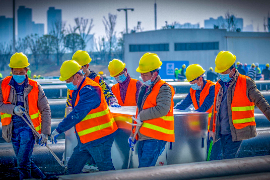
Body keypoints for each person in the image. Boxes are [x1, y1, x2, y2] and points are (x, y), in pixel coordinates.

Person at [50, 60, 118, 174]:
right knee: (72, 168)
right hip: (86, 139)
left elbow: (78, 113)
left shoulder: (90, 89)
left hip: (99, 137)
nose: (67, 83)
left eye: (68, 80)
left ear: (77, 76)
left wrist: (59, 129)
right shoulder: (79, 88)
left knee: (106, 169)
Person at [209, 51, 270, 160]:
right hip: (222, 132)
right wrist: (212, 129)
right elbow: (215, 109)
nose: (222, 74)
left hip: (236, 132)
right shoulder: (218, 84)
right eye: (220, 72)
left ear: (233, 69)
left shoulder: (246, 82)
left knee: (228, 159)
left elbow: (261, 102)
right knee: (223, 159)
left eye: (224, 72)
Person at [0, 52, 51, 179]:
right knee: (25, 162)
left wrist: (45, 132)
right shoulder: (3, 84)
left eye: (21, 72)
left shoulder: (35, 86)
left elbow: (45, 109)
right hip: (12, 130)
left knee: (22, 164)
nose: (18, 75)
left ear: (27, 71)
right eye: (15, 72)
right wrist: (13, 109)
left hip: (28, 129)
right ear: (11, 70)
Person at [129, 52, 175, 167]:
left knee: (144, 170)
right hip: (144, 135)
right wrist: (133, 134)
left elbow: (162, 108)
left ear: (154, 74)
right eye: (141, 74)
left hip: (155, 137)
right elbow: (139, 110)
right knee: (144, 170)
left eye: (145, 75)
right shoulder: (145, 88)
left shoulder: (163, 88)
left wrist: (142, 116)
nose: (142, 77)